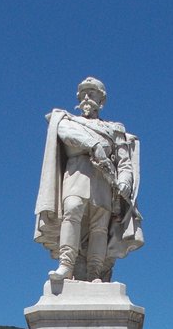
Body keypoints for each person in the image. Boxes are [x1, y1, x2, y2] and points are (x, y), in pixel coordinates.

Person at [34, 77, 144, 281]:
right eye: (83, 94)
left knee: (100, 226)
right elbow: (68, 136)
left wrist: (125, 182)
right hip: (77, 172)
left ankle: (95, 271)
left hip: (104, 181)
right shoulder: (66, 120)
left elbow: (124, 162)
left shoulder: (114, 128)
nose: (86, 98)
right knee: (72, 210)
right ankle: (66, 264)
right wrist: (94, 145)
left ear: (101, 100)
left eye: (91, 94)